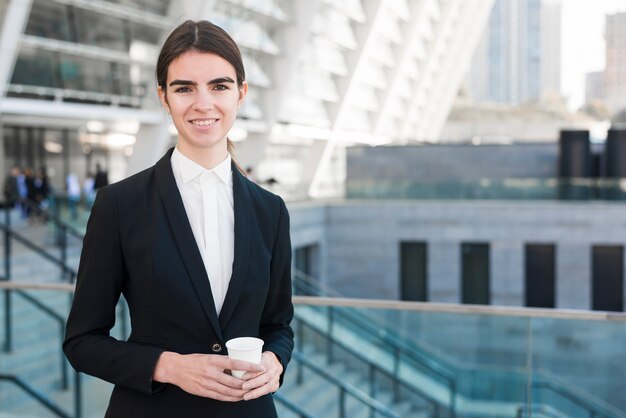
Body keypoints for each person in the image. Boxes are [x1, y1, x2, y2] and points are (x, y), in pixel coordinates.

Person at [63, 20, 294, 418]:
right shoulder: (119, 205)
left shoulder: (270, 210)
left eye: (219, 86)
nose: (203, 103)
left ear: (241, 94)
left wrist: (275, 361)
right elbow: (82, 341)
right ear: (164, 98)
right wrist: (168, 366)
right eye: (184, 88)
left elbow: (278, 327)